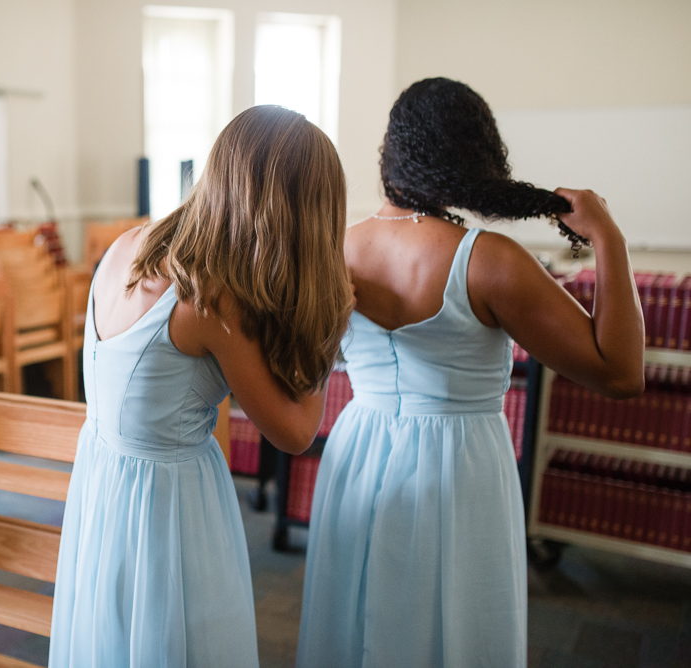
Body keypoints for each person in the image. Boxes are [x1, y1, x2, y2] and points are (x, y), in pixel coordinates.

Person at [297, 78, 645, 667]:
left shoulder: (330, 246)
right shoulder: (491, 261)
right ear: (474, 160)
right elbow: (621, 371)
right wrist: (608, 236)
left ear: (393, 153)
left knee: (356, 619)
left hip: (358, 450)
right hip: (457, 466)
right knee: (452, 626)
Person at [49, 105, 353, 667]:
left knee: (116, 634)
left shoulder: (130, 245)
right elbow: (295, 431)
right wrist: (333, 315)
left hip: (104, 485)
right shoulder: (208, 299)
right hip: (167, 506)